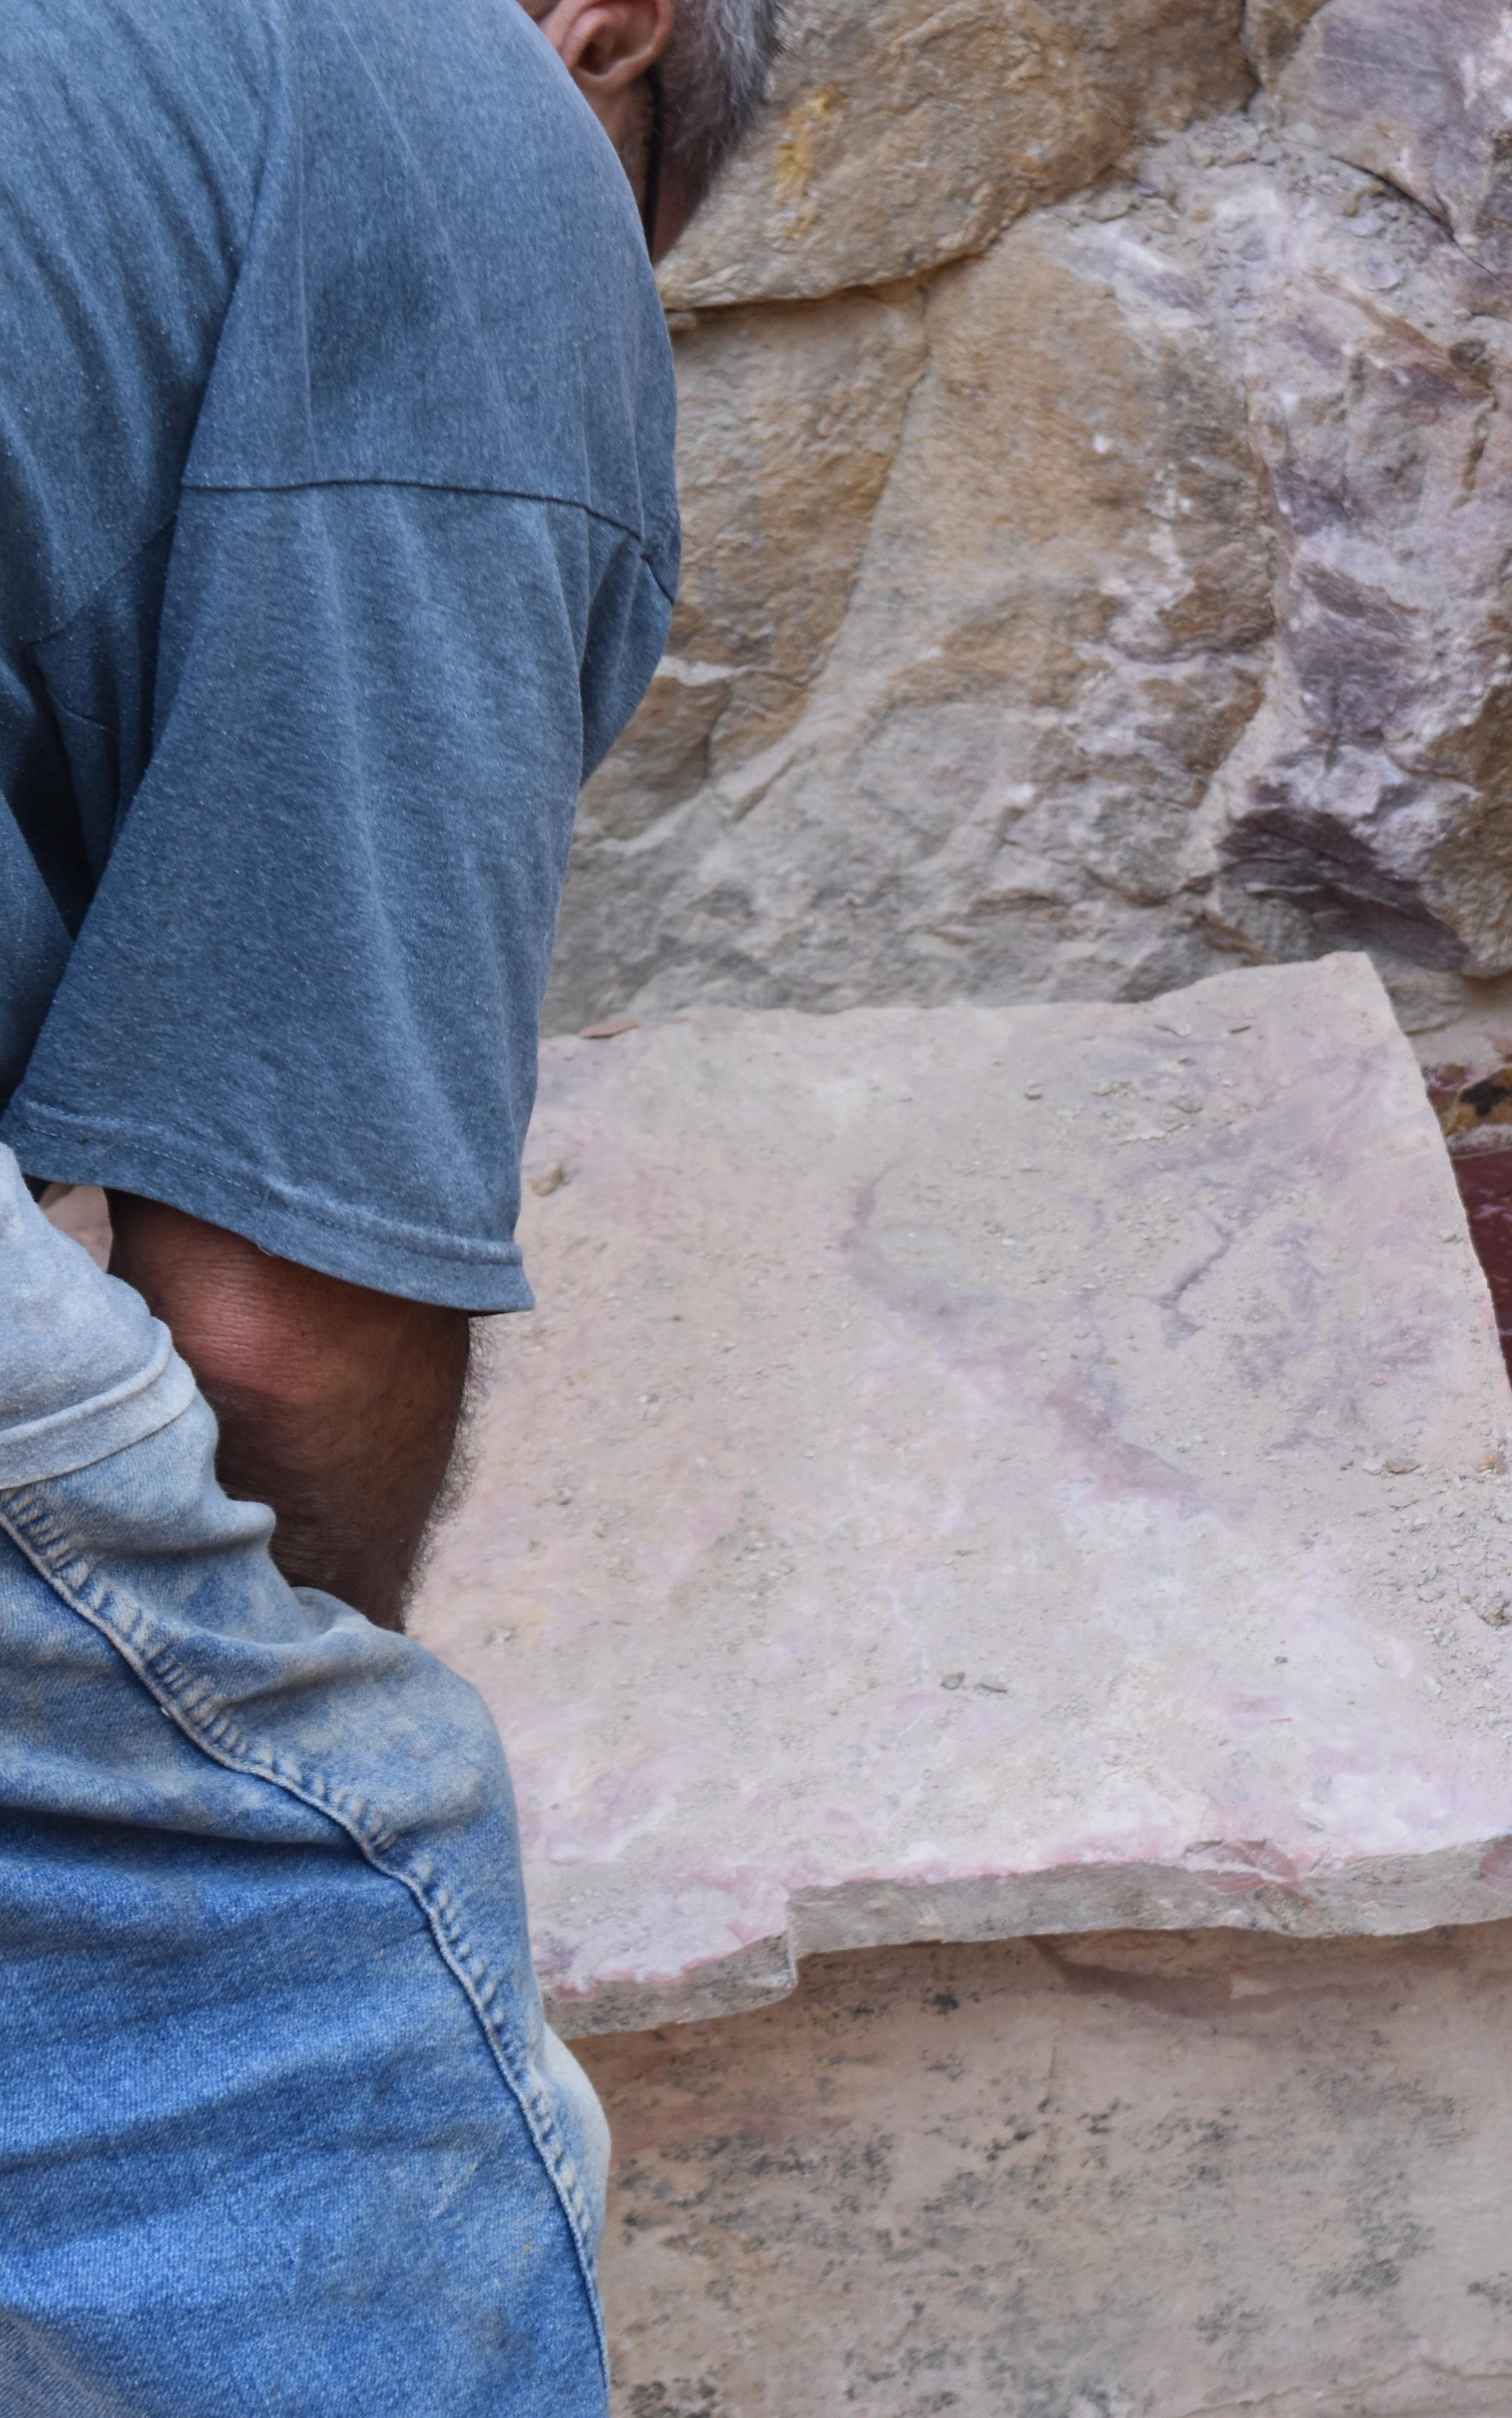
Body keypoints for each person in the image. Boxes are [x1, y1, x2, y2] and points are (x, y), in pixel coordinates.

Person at [0, 0, 775, 2404]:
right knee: (314, 2001)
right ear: (610, 30)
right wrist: (258, 1713)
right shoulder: (466, 119)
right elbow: (282, 1318)